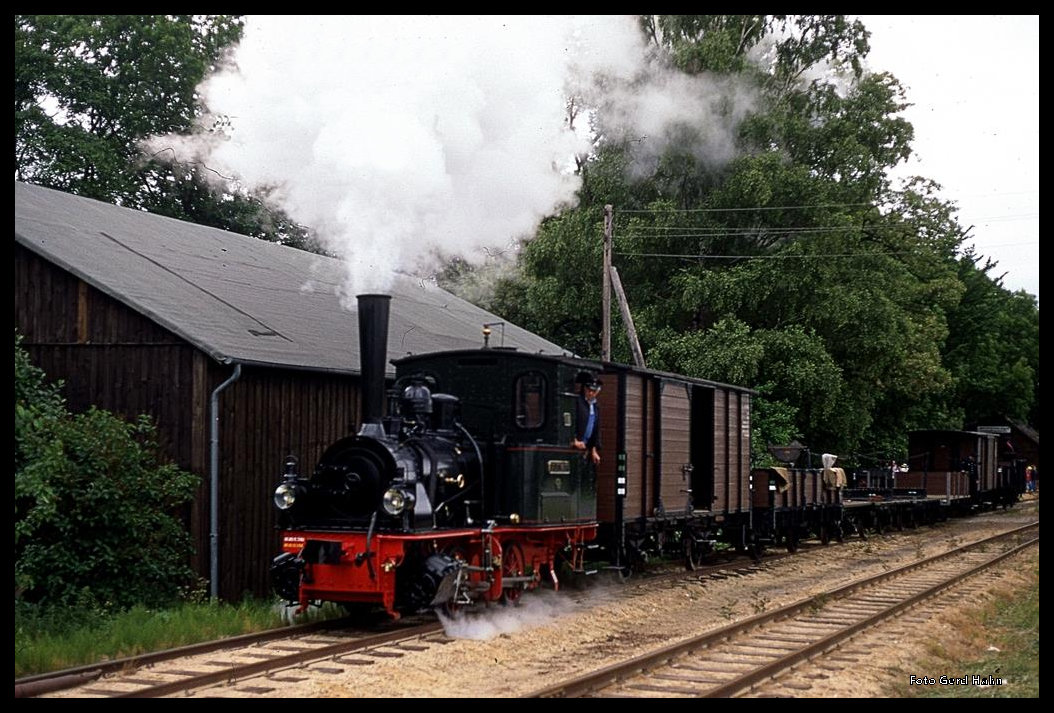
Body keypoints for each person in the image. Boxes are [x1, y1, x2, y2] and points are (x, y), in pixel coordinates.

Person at [572, 373, 602, 466]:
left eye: (594, 391)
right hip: (575, 446)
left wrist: (593, 449)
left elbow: (595, 428)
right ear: (584, 388)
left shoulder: (595, 406)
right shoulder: (577, 402)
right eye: (589, 390)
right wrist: (574, 440)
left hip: (586, 447)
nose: (591, 393)